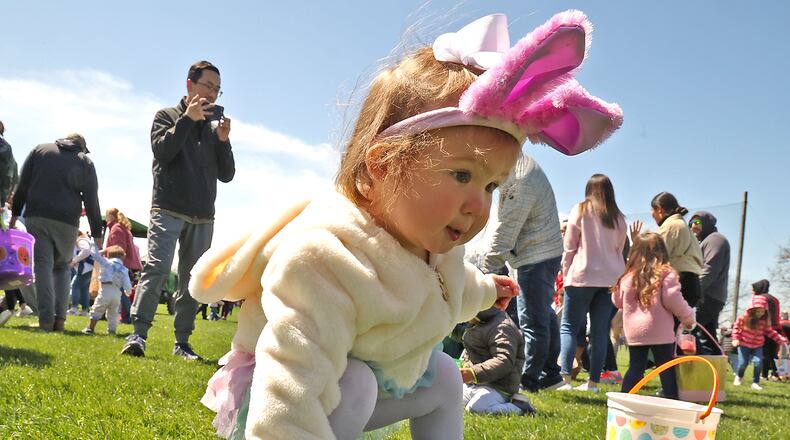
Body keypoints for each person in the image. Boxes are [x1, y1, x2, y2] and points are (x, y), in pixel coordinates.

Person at [188, 11, 622, 439]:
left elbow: (451, 290)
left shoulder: (434, 246)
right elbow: (291, 382)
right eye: (461, 175)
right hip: (282, 402)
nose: (477, 204)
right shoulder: (324, 257)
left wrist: (490, 289)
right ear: (383, 165)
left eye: (491, 185)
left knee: (446, 376)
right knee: (354, 383)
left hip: (358, 383)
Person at [122, 60, 236, 360]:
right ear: (189, 84)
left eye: (217, 90)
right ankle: (138, 335)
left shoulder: (214, 130)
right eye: (207, 86)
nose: (212, 94)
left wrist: (223, 142)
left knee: (192, 280)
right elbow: (163, 151)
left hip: (202, 214)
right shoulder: (167, 116)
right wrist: (187, 119)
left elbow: (227, 175)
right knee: (157, 268)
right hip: (168, 208)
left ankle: (182, 342)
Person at [479, 154, 566, 393]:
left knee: (532, 320)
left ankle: (528, 380)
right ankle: (550, 374)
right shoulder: (519, 167)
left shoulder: (519, 179)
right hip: (540, 254)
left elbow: (506, 229)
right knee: (544, 316)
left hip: (536, 257)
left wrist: (488, 268)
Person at [10, 133, 103, 332]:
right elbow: (91, 199)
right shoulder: (85, 162)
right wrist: (97, 232)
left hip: (39, 216)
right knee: (61, 267)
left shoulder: (40, 150)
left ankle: (45, 320)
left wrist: (15, 213)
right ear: (82, 147)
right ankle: (59, 320)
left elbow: (22, 184)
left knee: (42, 266)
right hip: (68, 222)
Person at [557, 174, 627, 393]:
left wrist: (565, 273)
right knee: (600, 331)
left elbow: (570, 247)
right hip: (610, 280)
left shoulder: (580, 209)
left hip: (581, 276)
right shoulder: (618, 217)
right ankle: (593, 383)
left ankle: (566, 379)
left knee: (569, 327)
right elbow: (620, 249)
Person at [612, 232, 696, 400]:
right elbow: (673, 299)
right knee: (665, 366)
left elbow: (617, 301)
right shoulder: (665, 273)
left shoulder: (628, 276)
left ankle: (624, 400)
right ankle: (671, 399)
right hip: (660, 331)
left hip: (635, 332)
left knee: (635, 367)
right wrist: (688, 317)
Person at [457, 306, 534, 416]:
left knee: (476, 408)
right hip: (476, 384)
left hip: (498, 387)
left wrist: (472, 373)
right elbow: (466, 335)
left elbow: (504, 360)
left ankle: (520, 407)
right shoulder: (478, 321)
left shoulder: (503, 327)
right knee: (451, 401)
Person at [631, 192, 702, 308]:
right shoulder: (682, 226)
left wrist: (637, 244)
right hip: (692, 284)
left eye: (652, 211)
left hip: (677, 285)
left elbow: (652, 260)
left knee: (664, 325)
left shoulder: (670, 227)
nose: (652, 215)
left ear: (659, 209)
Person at [689, 211, 731, 355]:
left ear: (707, 223)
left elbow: (710, 270)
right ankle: (715, 369)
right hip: (709, 296)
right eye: (691, 223)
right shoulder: (705, 241)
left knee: (687, 328)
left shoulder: (715, 240)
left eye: (698, 222)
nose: (694, 225)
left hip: (707, 297)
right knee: (708, 339)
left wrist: (692, 291)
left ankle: (700, 366)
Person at [732, 294, 788, 390]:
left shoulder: (764, 321)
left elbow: (769, 331)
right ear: (752, 310)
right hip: (744, 344)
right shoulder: (743, 318)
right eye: (758, 311)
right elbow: (736, 328)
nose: (760, 313)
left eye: (762, 311)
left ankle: (755, 382)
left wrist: (780, 339)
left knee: (758, 363)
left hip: (757, 345)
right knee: (743, 363)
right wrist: (736, 338)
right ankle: (739, 376)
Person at [82, 245, 132, 335]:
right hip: (117, 293)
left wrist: (99, 250)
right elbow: (127, 283)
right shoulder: (124, 269)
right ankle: (112, 331)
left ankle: (90, 328)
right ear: (122, 257)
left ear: (108, 255)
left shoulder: (106, 263)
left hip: (105, 290)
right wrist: (128, 291)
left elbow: (95, 255)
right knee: (113, 313)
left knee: (97, 309)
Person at [104, 208, 142, 324]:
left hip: (121, 264)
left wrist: (108, 256)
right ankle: (125, 316)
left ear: (111, 216)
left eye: (107, 216)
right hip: (127, 264)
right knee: (122, 291)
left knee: (121, 292)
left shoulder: (116, 228)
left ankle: (127, 317)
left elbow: (118, 248)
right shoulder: (122, 228)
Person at [751, 279, 783, 380]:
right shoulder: (775, 299)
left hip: (765, 329)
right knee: (771, 353)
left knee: (764, 353)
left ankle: (764, 375)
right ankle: (775, 373)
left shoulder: (760, 298)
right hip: (776, 328)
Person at [68, 231, 95, 316]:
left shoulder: (81, 240)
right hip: (89, 268)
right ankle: (84, 310)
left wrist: (74, 261)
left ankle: (74, 308)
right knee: (84, 289)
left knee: (75, 285)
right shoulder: (86, 240)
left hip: (85, 268)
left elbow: (86, 251)